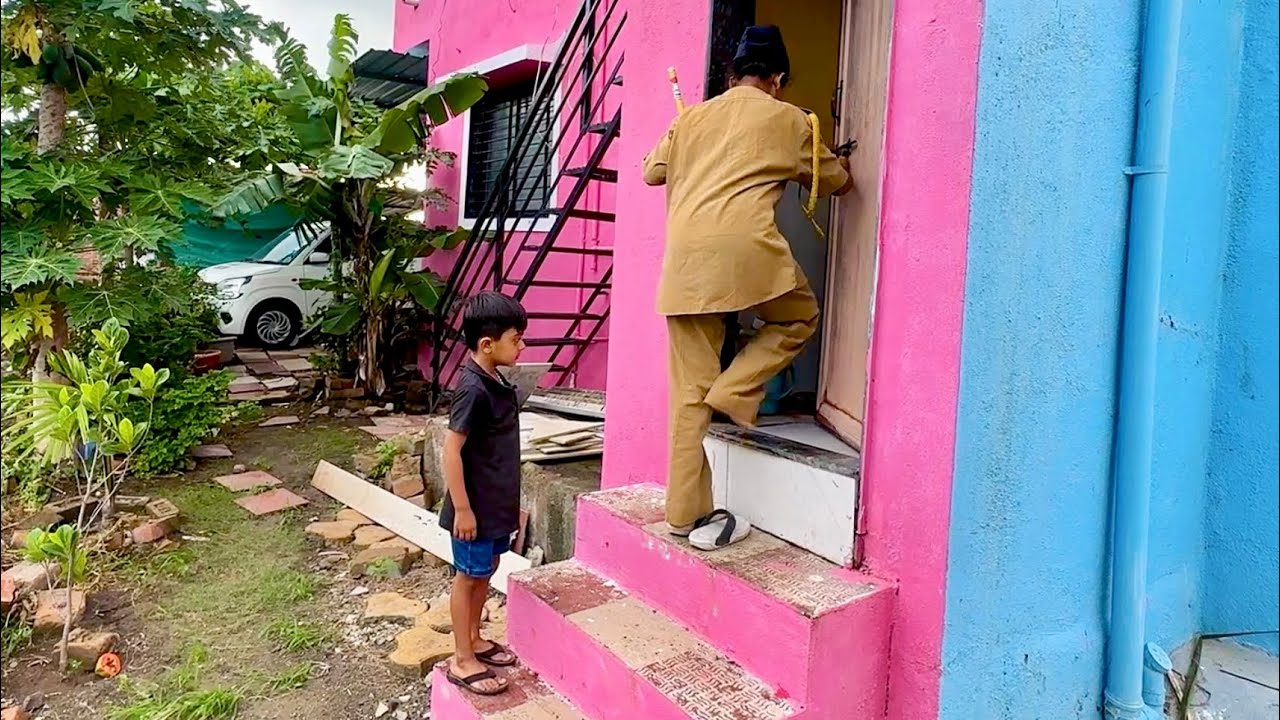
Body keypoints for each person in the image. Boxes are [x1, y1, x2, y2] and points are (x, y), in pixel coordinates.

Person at [643, 25, 854, 551]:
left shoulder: (690, 118)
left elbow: (653, 173)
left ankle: (683, 515)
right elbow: (836, 183)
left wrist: (688, 137)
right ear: (777, 79)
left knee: (687, 400)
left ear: (731, 74)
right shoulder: (789, 119)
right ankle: (737, 389)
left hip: (686, 270)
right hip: (747, 259)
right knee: (798, 316)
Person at [440, 291, 528, 696]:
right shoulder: (472, 389)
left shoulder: (497, 380)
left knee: (486, 571)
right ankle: (461, 658)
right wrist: (463, 509)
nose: (522, 345)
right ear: (487, 344)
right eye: (516, 338)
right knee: (468, 577)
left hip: (494, 504)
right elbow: (451, 450)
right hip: (472, 509)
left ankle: (474, 638)